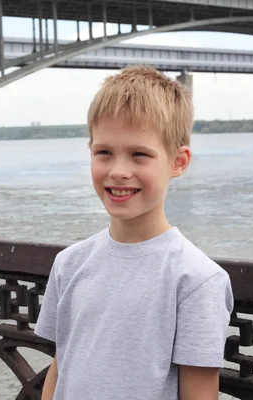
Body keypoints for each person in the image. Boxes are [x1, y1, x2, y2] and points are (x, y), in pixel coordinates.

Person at [34, 66, 234, 400]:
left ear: (178, 162)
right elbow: (61, 365)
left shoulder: (196, 279)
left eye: (139, 154)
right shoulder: (68, 264)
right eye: (104, 153)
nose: (118, 171)